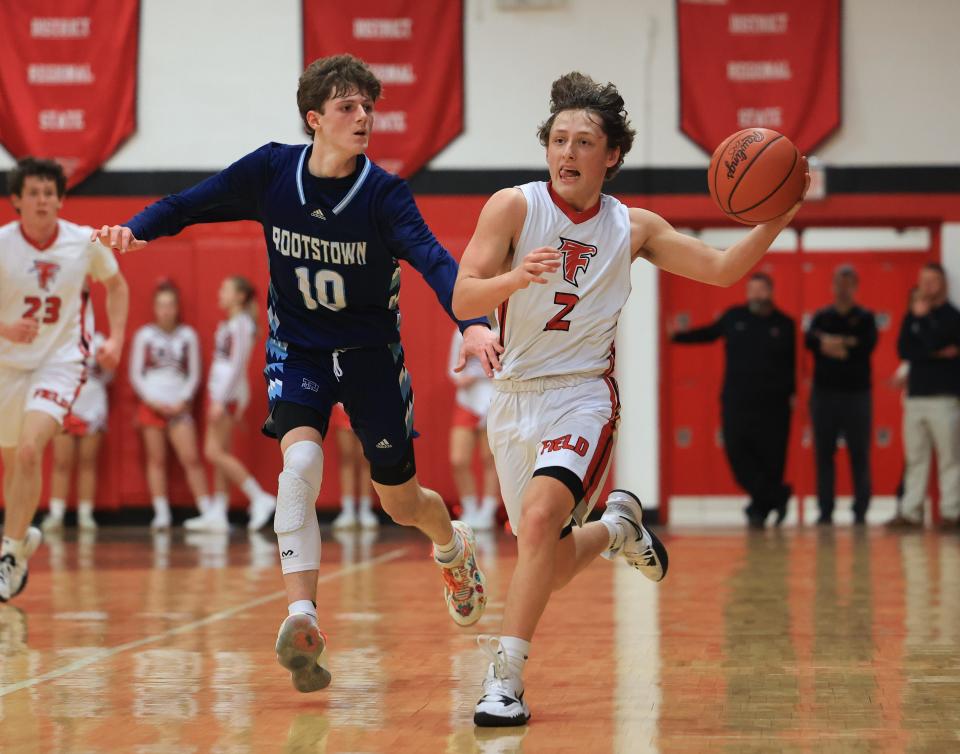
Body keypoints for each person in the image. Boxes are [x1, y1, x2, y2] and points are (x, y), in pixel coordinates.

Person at [93, 54, 501, 692]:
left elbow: (433, 258)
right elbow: (190, 203)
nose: (363, 116)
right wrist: (137, 229)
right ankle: (302, 617)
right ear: (315, 119)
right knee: (300, 470)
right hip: (299, 350)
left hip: (369, 354)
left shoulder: (385, 194)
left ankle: (451, 545)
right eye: (347, 107)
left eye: (368, 106)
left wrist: (469, 322)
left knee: (399, 502)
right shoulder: (271, 172)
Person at [452, 71, 806, 726]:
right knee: (550, 564)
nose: (566, 153)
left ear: (611, 155)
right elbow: (462, 297)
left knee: (535, 525)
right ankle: (618, 527)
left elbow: (723, 269)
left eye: (583, 142)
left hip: (583, 396)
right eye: (558, 140)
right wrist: (512, 277)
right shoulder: (513, 208)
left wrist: (780, 213)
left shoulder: (632, 226)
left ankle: (504, 678)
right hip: (513, 398)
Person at [0, 157, 129, 602]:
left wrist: (114, 338)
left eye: (50, 193)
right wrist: (5, 329)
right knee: (14, 459)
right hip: (8, 363)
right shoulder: (2, 245)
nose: (43, 200)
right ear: (16, 200)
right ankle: (18, 537)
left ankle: (11, 552)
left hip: (61, 360)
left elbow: (116, 286)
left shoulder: (81, 242)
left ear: (60, 199)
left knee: (33, 448)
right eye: (33, 193)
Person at [671, 272, 796, 528]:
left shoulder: (785, 324)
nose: (755, 294)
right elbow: (709, 333)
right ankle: (777, 496)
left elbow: (793, 365)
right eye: (751, 289)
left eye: (760, 289)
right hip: (737, 401)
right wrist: (676, 336)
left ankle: (758, 510)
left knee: (771, 461)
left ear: (770, 292)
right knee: (737, 454)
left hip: (774, 406)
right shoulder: (734, 317)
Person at [186, 275, 277, 532]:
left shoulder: (242, 324)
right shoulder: (231, 323)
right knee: (221, 454)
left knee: (212, 452)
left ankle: (259, 497)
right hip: (221, 393)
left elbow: (238, 365)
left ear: (239, 296)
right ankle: (219, 512)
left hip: (225, 396)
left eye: (225, 289)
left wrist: (222, 399)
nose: (220, 293)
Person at [129, 280, 210, 529]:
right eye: (161, 305)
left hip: (179, 405)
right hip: (152, 403)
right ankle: (161, 512)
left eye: (170, 305)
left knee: (190, 457)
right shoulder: (145, 335)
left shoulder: (188, 336)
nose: (165, 311)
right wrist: (150, 400)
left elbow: (194, 374)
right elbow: (136, 374)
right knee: (156, 460)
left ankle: (208, 511)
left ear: (177, 308)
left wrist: (183, 400)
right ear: (154, 308)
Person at [888, 263, 960, 528]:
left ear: (943, 283)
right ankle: (911, 512)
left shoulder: (952, 316)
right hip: (915, 396)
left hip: (944, 398)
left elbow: (932, 343)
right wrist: (938, 353)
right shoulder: (912, 315)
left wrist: (925, 324)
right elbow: (905, 350)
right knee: (916, 458)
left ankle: (952, 513)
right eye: (923, 280)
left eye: (933, 281)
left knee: (950, 458)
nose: (927, 286)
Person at [804, 265, 877, 525]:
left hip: (857, 396)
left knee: (859, 453)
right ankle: (825, 510)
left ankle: (861, 509)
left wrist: (832, 344)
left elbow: (865, 346)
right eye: (839, 283)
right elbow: (810, 341)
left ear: (855, 287)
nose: (843, 289)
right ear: (832, 286)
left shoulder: (865, 318)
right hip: (824, 395)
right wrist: (845, 344)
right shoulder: (822, 316)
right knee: (824, 454)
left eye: (848, 284)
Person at [42, 300, 113, 532]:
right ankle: (56, 513)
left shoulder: (100, 341)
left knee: (87, 462)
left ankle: (85, 514)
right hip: (65, 405)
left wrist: (108, 364)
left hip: (93, 406)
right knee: (61, 461)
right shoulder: (58, 341)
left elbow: (108, 377)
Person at [447, 326, 500, 530]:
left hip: (493, 400)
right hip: (468, 401)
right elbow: (453, 368)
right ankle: (469, 509)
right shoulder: (461, 332)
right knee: (458, 459)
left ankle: (487, 511)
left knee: (490, 459)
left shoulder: (501, 330)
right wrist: (463, 378)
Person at [330, 402, 378, 530]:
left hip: (366, 403)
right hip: (343, 404)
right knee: (347, 458)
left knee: (366, 458)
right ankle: (348, 510)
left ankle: (365, 509)